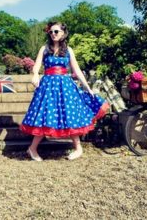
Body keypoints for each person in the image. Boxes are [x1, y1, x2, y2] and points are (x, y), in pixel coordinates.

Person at [20, 21, 109, 161]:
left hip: (65, 87)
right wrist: (36, 74)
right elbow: (36, 66)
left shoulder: (69, 50)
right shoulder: (44, 48)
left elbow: (77, 71)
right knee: (44, 115)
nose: (53, 34)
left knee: (70, 114)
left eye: (56, 31)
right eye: (51, 32)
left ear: (63, 33)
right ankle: (32, 149)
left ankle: (78, 148)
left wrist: (87, 87)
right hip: (47, 86)